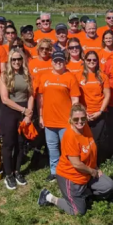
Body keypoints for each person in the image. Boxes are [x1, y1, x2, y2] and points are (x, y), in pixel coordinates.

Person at [38, 104, 113, 215]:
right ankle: (49, 197)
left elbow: (91, 151)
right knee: (78, 212)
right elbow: (76, 164)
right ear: (70, 119)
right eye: (76, 119)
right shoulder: (70, 136)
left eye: (83, 118)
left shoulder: (85, 127)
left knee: (109, 186)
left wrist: (96, 168)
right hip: (71, 177)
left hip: (87, 173)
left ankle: (84, 193)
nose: (80, 122)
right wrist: (92, 171)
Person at [37, 51, 80, 182]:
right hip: (49, 120)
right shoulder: (44, 76)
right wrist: (40, 116)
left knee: (67, 148)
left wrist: (74, 119)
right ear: (52, 62)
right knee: (52, 147)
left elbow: (75, 100)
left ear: (64, 62)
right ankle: (54, 172)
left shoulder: (70, 77)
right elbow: (41, 98)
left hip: (65, 121)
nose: (58, 63)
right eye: (56, 61)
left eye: (61, 61)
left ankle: (68, 171)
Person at [0, 49, 34, 190]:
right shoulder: (4, 75)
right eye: (13, 59)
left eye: (19, 59)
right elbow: (5, 99)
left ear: (22, 60)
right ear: (10, 61)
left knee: (21, 144)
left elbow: (31, 94)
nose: (16, 62)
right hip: (9, 112)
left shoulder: (27, 75)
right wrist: (23, 110)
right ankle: (8, 174)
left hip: (24, 111)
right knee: (9, 144)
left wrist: (29, 113)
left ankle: (17, 171)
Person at [76, 51, 111, 165]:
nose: (91, 62)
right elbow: (76, 96)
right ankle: (83, 162)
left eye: (94, 60)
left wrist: (100, 111)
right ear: (85, 61)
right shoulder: (78, 76)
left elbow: (107, 95)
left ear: (97, 62)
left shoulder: (102, 76)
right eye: (89, 60)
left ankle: (94, 163)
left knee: (95, 141)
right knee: (83, 140)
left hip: (98, 113)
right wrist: (83, 112)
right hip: (83, 114)